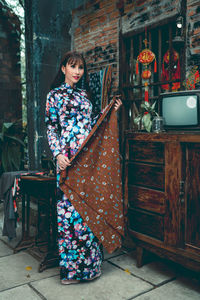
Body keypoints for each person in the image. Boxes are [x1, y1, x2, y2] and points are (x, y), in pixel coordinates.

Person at [45, 51, 122, 285]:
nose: (77, 72)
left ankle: (90, 269)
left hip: (88, 162)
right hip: (68, 161)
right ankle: (70, 273)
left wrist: (110, 112)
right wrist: (57, 153)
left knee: (88, 213)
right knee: (68, 218)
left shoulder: (85, 96)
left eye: (81, 68)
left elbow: (93, 126)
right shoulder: (54, 96)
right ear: (63, 68)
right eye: (73, 66)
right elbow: (50, 126)